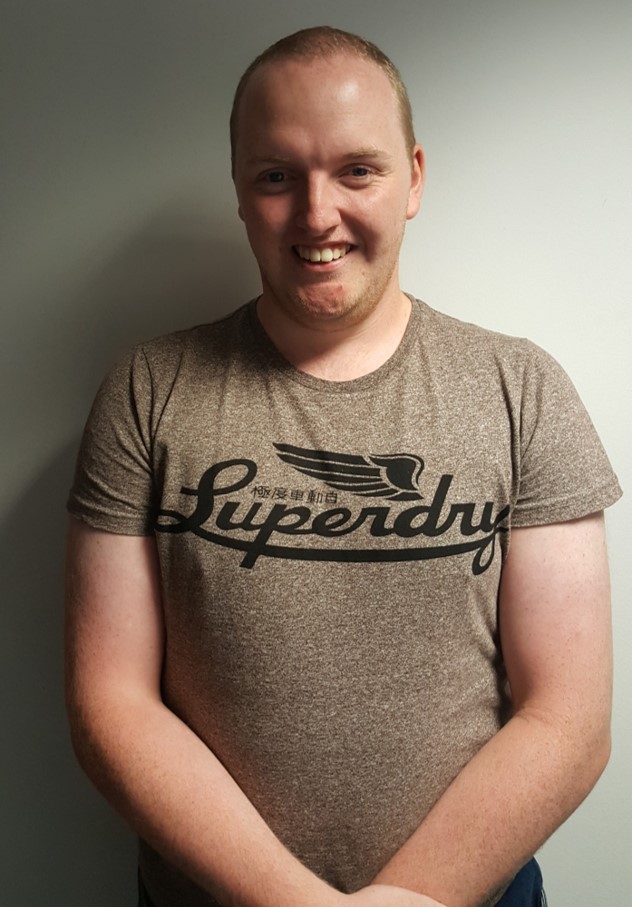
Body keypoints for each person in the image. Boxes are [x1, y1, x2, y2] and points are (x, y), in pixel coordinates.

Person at [64, 25, 622, 907]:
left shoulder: (521, 388)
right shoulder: (148, 389)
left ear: (414, 179)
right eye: (276, 176)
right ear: (240, 190)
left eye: (357, 170)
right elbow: (111, 703)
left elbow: (568, 718)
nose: (317, 213)